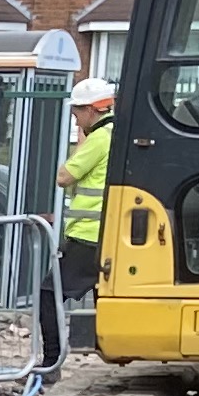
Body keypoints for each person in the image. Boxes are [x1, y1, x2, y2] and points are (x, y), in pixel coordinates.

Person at [55, 74, 116, 325]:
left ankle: (51, 357)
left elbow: (63, 177)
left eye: (77, 112)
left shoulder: (99, 138)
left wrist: (82, 143)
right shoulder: (115, 133)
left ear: (91, 110)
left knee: (50, 293)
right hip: (104, 233)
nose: (75, 118)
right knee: (104, 297)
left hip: (88, 235)